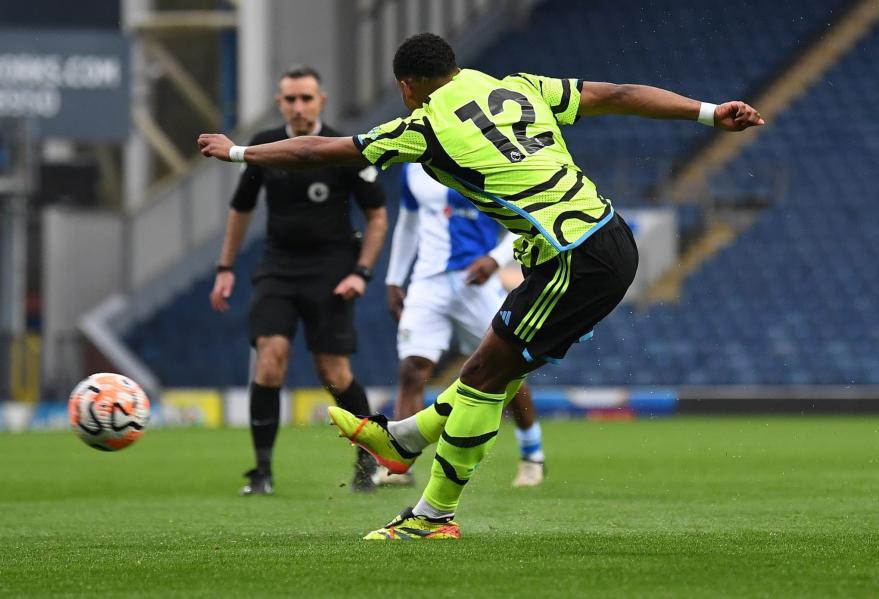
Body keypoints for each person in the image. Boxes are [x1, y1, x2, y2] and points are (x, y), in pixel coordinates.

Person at [198, 34, 763, 537]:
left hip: (576, 256)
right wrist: (710, 113)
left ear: (407, 87)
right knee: (485, 374)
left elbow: (324, 150)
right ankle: (402, 443)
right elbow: (616, 93)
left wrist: (241, 152)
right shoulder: (519, 87)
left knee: (487, 377)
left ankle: (430, 514)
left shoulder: (425, 124)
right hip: (596, 237)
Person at [208, 65, 388, 495]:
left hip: (332, 271)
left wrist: (361, 272)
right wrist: (225, 268)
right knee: (270, 359)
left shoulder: (343, 147)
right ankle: (262, 472)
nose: (299, 106)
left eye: (306, 98)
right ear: (279, 103)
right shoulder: (263, 147)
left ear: (321, 100)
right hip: (278, 268)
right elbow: (240, 209)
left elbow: (377, 216)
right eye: (291, 99)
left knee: (335, 371)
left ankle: (368, 458)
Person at [381, 161, 545, 488]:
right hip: (427, 282)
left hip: (477, 282)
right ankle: (400, 465)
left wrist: (496, 259)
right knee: (412, 368)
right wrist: (394, 278)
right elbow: (409, 223)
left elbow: (523, 218)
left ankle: (533, 456)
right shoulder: (413, 165)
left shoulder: (481, 154)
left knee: (506, 369)